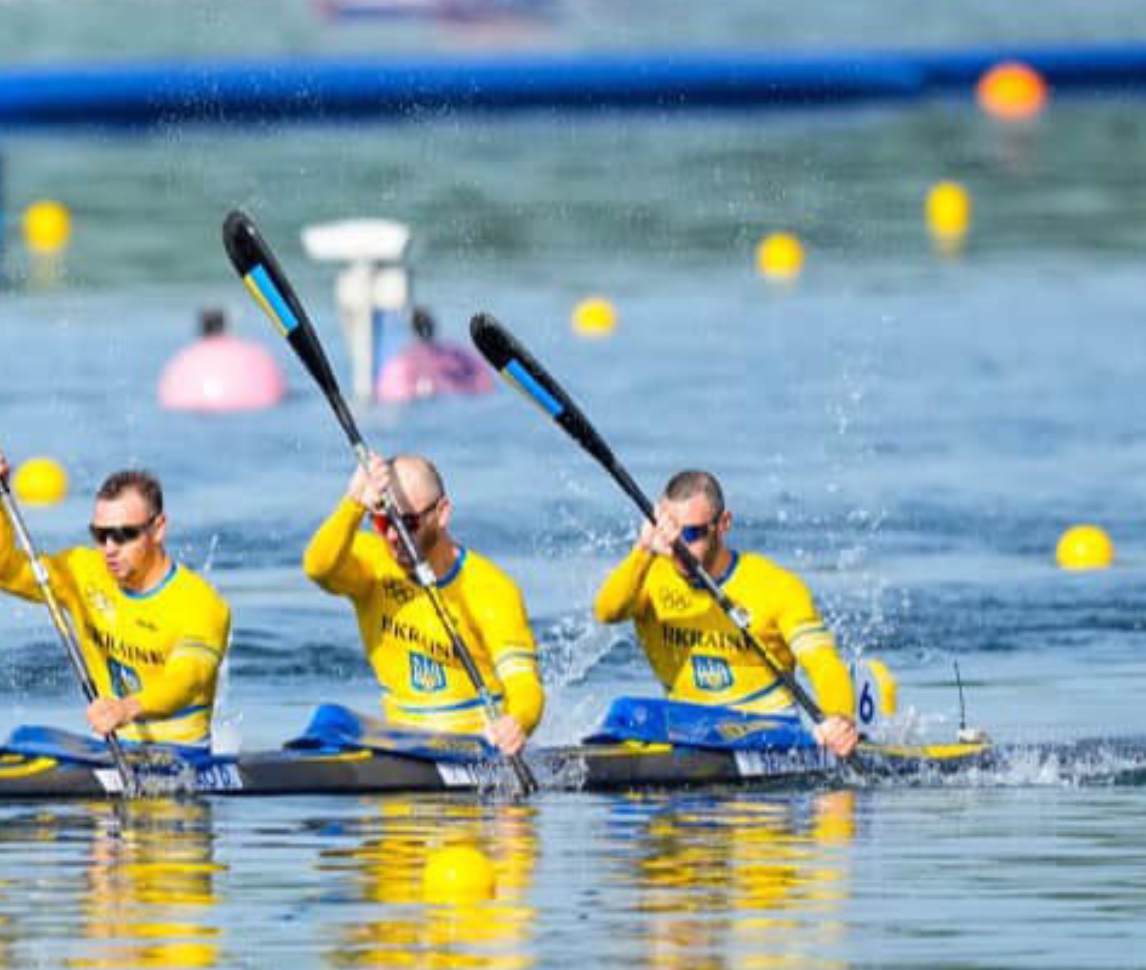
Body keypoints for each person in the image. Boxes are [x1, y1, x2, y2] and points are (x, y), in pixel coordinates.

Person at [0, 444, 230, 750]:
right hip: (109, 750)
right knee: (25, 738)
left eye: (124, 535)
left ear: (159, 528)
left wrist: (126, 709)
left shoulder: (201, 604)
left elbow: (188, 680)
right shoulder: (83, 573)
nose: (109, 547)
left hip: (182, 755)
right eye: (100, 535)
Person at [592, 470, 859, 757]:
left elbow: (823, 664)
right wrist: (643, 548)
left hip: (765, 730)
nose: (678, 546)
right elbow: (607, 612)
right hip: (685, 729)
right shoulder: (648, 576)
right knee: (625, 712)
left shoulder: (776, 587)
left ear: (723, 524)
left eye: (692, 534)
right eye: (671, 532)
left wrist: (839, 719)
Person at [302, 453, 544, 756]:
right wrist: (353, 502)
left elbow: (524, 684)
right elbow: (318, 569)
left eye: (407, 523)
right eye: (381, 520)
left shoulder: (492, 589)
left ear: (442, 513)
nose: (392, 535)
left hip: (476, 746)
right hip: (401, 745)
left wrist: (516, 723)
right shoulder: (372, 564)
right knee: (331, 719)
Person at [375, 307, 494, 402]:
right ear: (434, 326)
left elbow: (387, 391)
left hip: (414, 397)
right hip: (456, 395)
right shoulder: (454, 353)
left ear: (412, 329)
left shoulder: (401, 362)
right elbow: (485, 381)